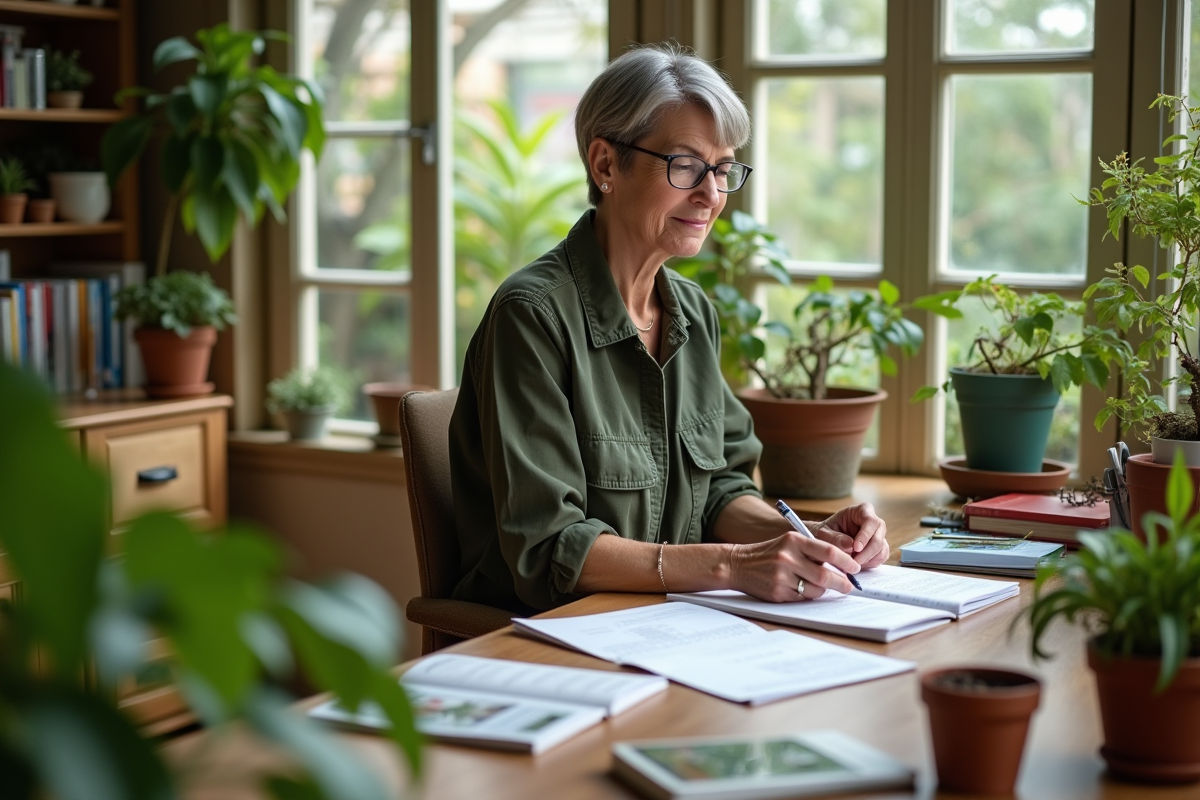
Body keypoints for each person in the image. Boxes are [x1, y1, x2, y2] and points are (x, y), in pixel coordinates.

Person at [448, 43, 889, 616]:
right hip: (552, 636)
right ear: (606, 165)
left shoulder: (693, 314)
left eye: (724, 169)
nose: (711, 194)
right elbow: (551, 548)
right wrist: (733, 565)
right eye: (686, 166)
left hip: (674, 621)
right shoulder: (531, 316)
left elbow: (722, 489)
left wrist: (811, 538)